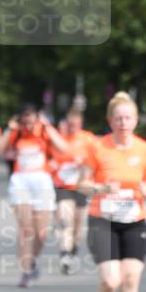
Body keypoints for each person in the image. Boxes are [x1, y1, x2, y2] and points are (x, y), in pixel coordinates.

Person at [79, 92, 146, 292]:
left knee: (131, 278)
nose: (123, 123)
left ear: (136, 121)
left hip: (134, 220)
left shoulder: (145, 150)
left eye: (128, 118)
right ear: (110, 121)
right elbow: (82, 184)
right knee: (111, 281)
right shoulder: (97, 146)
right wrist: (100, 188)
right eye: (118, 118)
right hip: (103, 220)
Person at [0, 106, 68, 287]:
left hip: (42, 181)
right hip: (21, 181)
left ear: (37, 118)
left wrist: (48, 127)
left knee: (41, 233)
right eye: (25, 120)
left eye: (31, 120)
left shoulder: (44, 132)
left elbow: (64, 148)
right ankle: (25, 271)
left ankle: (33, 260)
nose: (28, 124)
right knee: (25, 229)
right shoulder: (16, 133)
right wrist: (8, 130)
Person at [50, 108, 96, 273]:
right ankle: (65, 254)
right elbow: (50, 161)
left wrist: (82, 161)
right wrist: (55, 166)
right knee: (65, 221)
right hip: (63, 186)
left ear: (80, 124)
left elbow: (96, 160)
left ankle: (73, 249)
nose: (72, 128)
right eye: (70, 125)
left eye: (76, 125)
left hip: (82, 187)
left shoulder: (88, 139)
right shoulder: (59, 140)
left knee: (79, 225)